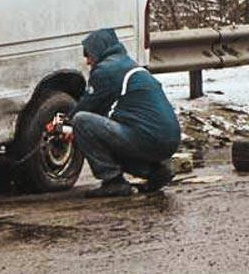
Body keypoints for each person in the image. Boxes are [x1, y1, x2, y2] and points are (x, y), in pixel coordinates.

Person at [70, 28, 182, 197]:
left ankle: (113, 182)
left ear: (99, 50)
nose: (87, 61)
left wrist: (63, 123)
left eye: (88, 55)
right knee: (109, 136)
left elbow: (87, 107)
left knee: (81, 121)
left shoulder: (106, 70)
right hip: (169, 140)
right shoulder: (127, 64)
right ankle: (155, 172)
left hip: (147, 137)